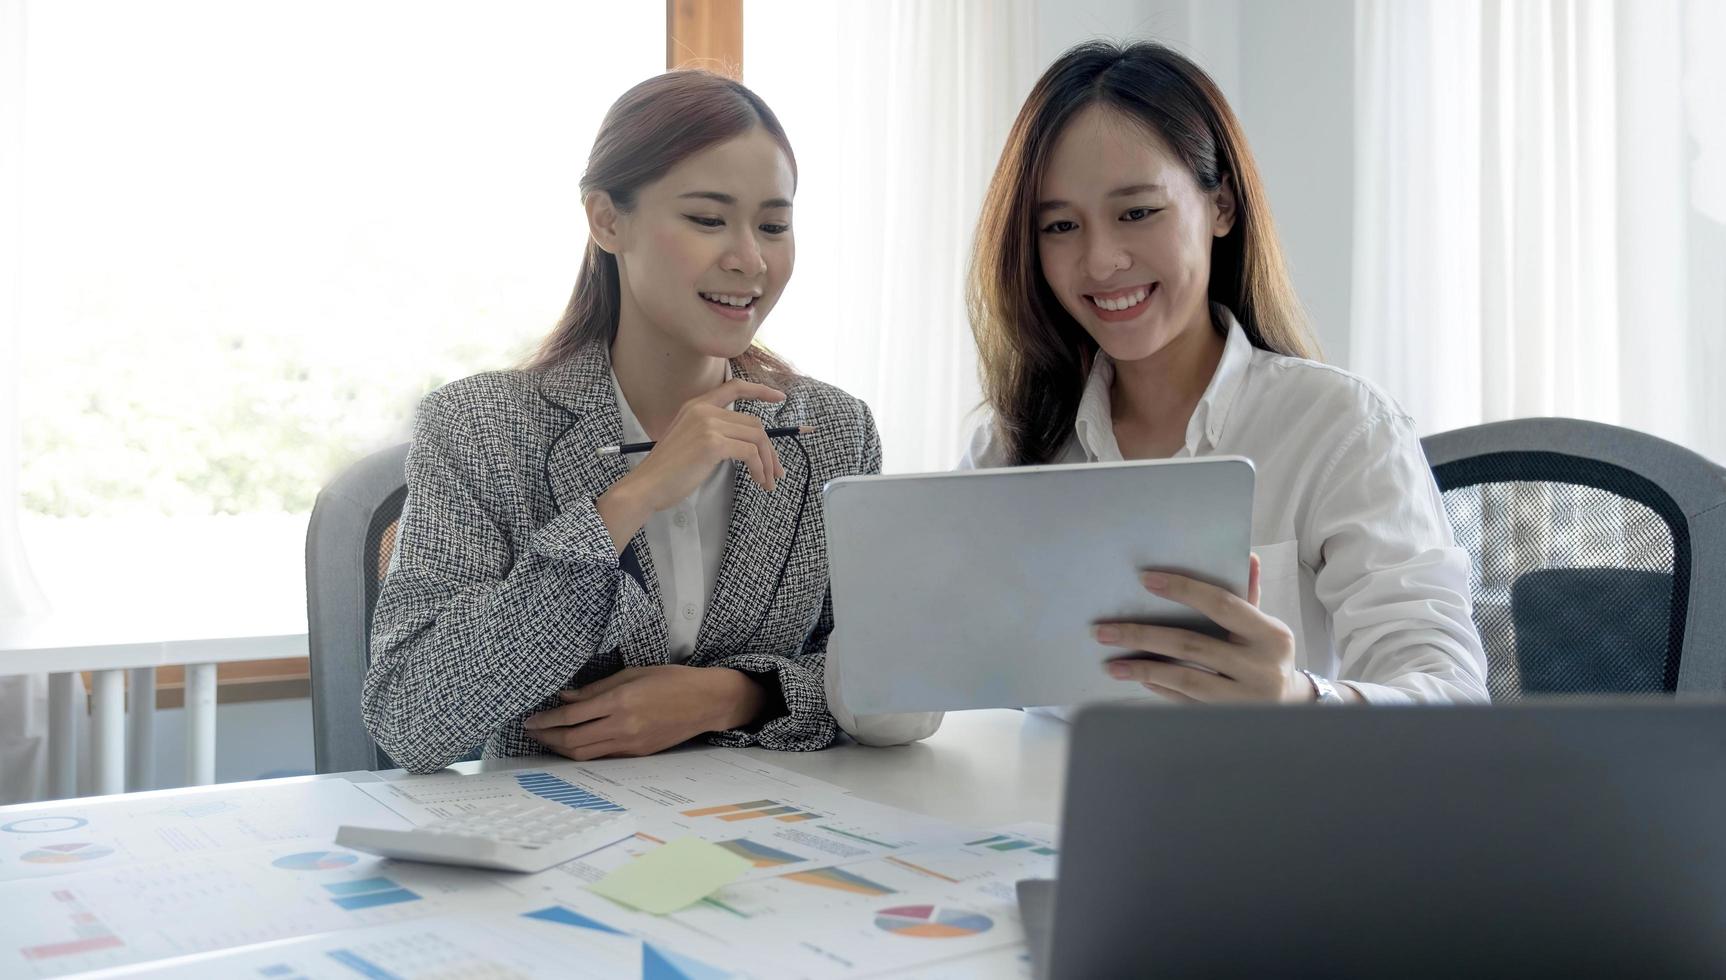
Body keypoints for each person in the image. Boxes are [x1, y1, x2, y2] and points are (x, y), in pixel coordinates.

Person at [836, 40, 1486, 742]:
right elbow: (885, 713)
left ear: (1222, 207)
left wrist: (1300, 700)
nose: (1100, 261)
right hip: (1042, 834)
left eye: (1137, 212)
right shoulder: (1013, 446)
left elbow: (1451, 700)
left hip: (1260, 826)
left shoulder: (1337, 428)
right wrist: (897, 635)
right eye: (1060, 226)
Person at [363, 71, 883, 773]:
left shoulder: (834, 430)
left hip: (768, 842)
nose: (750, 259)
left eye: (773, 225)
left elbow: (888, 681)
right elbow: (410, 717)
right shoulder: (479, 427)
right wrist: (627, 502)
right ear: (608, 219)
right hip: (557, 848)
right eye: (707, 219)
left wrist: (735, 697)